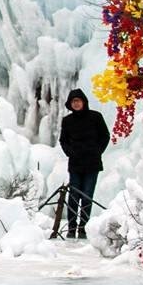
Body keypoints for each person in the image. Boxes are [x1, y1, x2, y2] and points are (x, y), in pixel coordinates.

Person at [58, 88, 110, 239]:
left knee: (87, 196)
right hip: (75, 163)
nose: (76, 104)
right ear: (70, 104)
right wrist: (70, 152)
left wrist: (97, 151)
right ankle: (71, 227)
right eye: (73, 101)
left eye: (78, 101)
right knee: (74, 196)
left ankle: (83, 228)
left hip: (92, 163)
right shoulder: (67, 121)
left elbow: (105, 136)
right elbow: (63, 140)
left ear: (84, 102)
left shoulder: (95, 117)